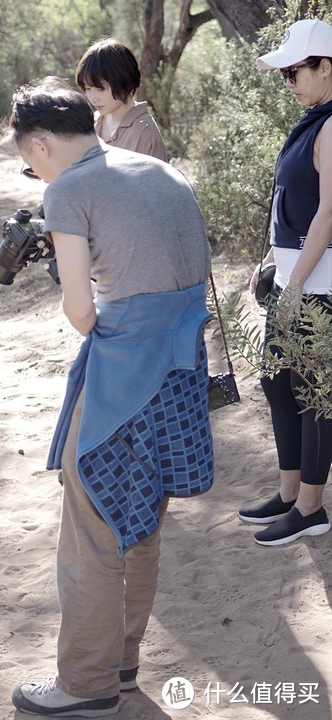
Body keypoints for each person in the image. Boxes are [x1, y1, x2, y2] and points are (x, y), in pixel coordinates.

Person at [2, 78, 213, 716]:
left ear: (39, 144)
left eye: (25, 160)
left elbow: (82, 315)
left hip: (124, 377)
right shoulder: (158, 169)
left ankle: (85, 687)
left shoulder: (68, 189)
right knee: (141, 522)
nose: (31, 172)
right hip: (182, 374)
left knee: (91, 529)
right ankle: (120, 666)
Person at [238, 18, 332, 546]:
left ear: (327, 67)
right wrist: (268, 258)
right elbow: (287, 205)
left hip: (320, 282)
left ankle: (312, 507)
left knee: (315, 391)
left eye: (296, 70)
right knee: (277, 382)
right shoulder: (313, 119)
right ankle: (290, 492)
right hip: (296, 272)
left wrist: (294, 284)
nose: (290, 81)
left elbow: (328, 213)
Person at [75, 38, 167, 161]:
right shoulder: (93, 122)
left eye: (100, 89)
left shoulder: (145, 132)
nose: (93, 98)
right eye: (87, 88)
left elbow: (156, 179)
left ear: (123, 81)